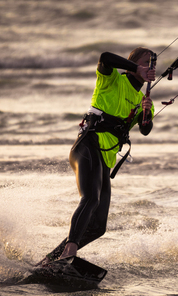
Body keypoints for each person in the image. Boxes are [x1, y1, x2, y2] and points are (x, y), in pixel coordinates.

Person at [36, 47, 156, 266]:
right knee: (91, 198)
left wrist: (147, 114)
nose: (150, 67)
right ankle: (69, 254)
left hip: (104, 161)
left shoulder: (143, 100)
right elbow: (105, 58)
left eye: (152, 64)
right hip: (87, 146)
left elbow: (145, 129)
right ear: (133, 64)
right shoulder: (111, 80)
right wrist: (137, 68)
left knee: (98, 227)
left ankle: (49, 261)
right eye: (145, 62)